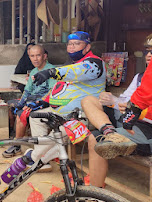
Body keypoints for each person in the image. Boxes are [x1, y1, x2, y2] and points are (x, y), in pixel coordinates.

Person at [80, 35, 152, 202]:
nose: (149, 55)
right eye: (148, 51)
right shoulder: (140, 76)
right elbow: (128, 101)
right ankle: (110, 132)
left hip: (147, 129)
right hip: (129, 119)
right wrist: (113, 100)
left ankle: (94, 201)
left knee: (95, 140)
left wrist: (131, 109)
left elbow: (139, 103)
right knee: (90, 100)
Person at [24, 31, 106, 174]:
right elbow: (59, 87)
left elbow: (77, 71)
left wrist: (50, 72)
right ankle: (41, 159)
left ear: (87, 47)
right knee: (35, 116)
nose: (72, 47)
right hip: (59, 112)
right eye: (70, 44)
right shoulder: (70, 63)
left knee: (59, 133)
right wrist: (43, 102)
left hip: (81, 117)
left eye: (77, 44)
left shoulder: (95, 63)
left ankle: (35, 157)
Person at [3, 45, 56, 160]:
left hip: (46, 103)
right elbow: (27, 91)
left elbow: (52, 92)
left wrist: (37, 103)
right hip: (33, 101)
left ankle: (16, 145)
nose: (35, 59)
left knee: (22, 114)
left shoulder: (51, 70)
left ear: (44, 56)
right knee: (16, 108)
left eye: (38, 55)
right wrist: (21, 103)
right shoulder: (33, 71)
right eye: (32, 56)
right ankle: (17, 142)